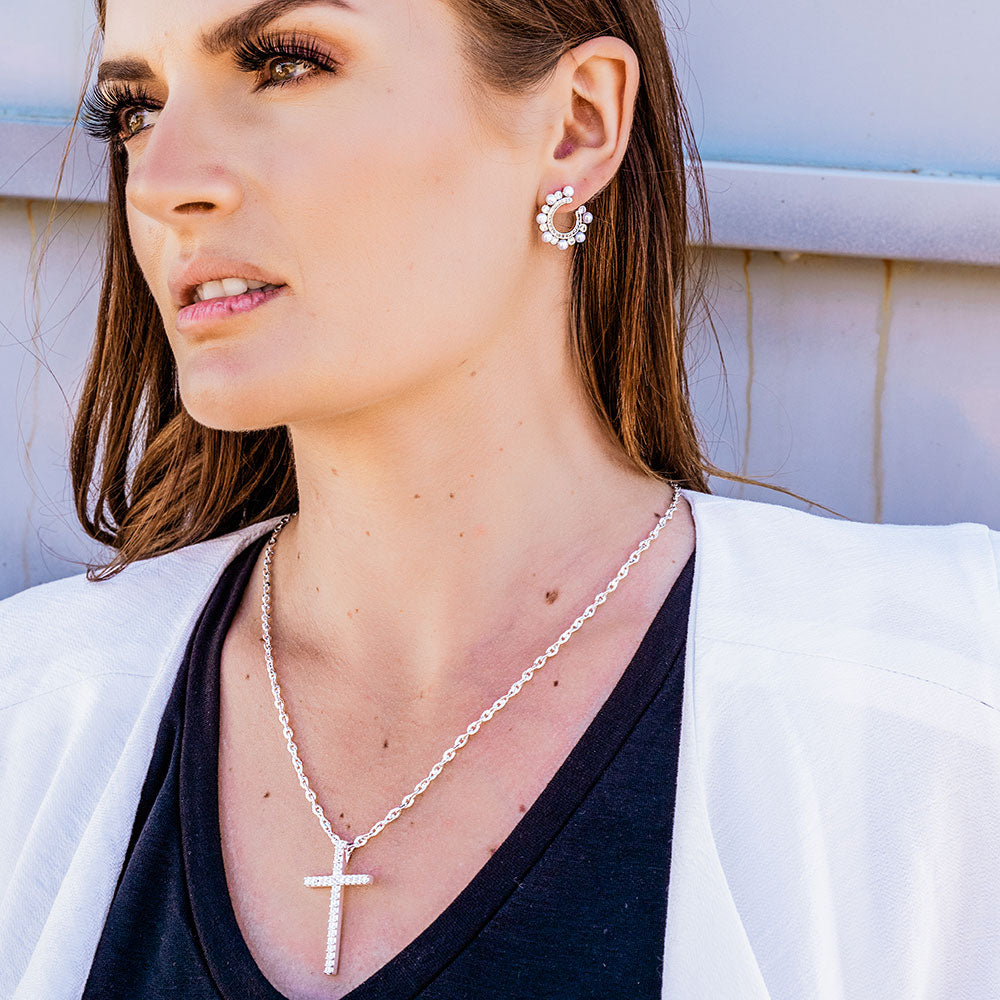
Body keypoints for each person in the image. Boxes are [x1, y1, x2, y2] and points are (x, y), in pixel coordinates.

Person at [2, 0, 998, 997]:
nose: (161, 182)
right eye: (134, 112)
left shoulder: (934, 716)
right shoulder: (32, 713)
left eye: (285, 64)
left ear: (576, 124)